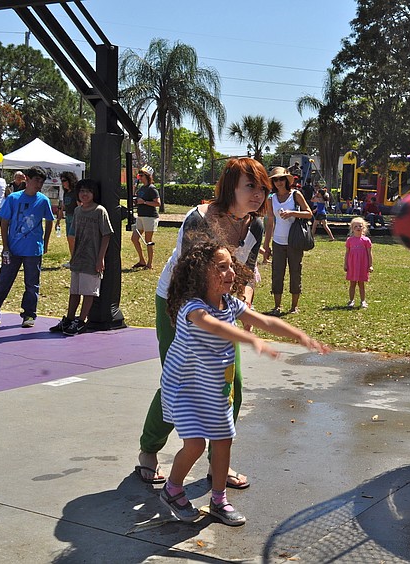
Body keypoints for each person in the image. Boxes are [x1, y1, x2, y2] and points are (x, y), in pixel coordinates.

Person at [156, 238, 329, 525]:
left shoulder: (230, 303)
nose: (230, 272)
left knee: (223, 441)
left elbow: (265, 321)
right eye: (221, 267)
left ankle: (219, 500)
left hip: (216, 388)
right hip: (185, 388)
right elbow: (213, 326)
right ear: (201, 275)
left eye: (231, 266)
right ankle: (173, 489)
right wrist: (250, 339)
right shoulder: (192, 308)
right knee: (196, 444)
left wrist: (298, 335)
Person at [136, 157, 270, 488]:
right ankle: (148, 451)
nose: (258, 194)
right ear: (230, 188)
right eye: (250, 186)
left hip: (220, 306)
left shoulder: (254, 225)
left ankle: (217, 467)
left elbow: (246, 271)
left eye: (262, 188)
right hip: (179, 303)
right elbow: (190, 277)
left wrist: (245, 305)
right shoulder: (199, 219)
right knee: (177, 384)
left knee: (231, 384)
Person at [0, 166, 55, 328]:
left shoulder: (43, 200)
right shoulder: (13, 198)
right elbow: (4, 222)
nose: (38, 184)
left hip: (33, 250)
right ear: (27, 179)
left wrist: (45, 243)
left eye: (41, 181)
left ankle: (29, 315)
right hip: (13, 249)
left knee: (32, 284)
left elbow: (49, 221)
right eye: (36, 180)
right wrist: (5, 245)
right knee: (3, 282)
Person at [49, 179, 113, 336]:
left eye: (88, 191)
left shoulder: (100, 211)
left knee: (88, 291)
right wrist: (73, 255)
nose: (85, 194)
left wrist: (100, 258)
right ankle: (69, 319)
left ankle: (81, 321)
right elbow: (74, 235)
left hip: (92, 258)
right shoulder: (77, 211)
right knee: (74, 290)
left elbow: (106, 235)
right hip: (78, 257)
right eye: (82, 191)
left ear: (93, 194)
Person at [262, 166, 313, 315]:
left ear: (286, 180)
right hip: (278, 242)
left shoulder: (295, 195)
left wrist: (292, 213)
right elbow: (270, 223)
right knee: (277, 273)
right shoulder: (271, 199)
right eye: (275, 180)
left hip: (294, 241)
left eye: (281, 179)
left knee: (295, 271)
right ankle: (277, 306)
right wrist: (266, 247)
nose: (278, 182)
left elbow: (309, 213)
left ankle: (294, 306)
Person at [132, 165, 161, 269]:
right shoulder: (141, 188)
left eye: (141, 175)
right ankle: (142, 260)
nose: (139, 176)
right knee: (134, 238)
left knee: (148, 240)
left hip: (150, 217)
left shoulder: (152, 189)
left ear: (147, 176)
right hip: (140, 216)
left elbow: (158, 203)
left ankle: (149, 263)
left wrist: (144, 202)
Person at [344, 217, 373, 308]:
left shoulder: (366, 240)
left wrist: (370, 265)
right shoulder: (350, 240)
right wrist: (345, 264)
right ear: (352, 228)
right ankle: (351, 300)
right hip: (352, 265)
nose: (358, 228)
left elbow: (369, 254)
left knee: (361, 283)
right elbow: (347, 253)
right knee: (352, 283)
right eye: (355, 226)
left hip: (362, 265)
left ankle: (363, 301)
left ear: (363, 228)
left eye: (360, 226)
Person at [56, 171, 79, 266]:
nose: (63, 183)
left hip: (75, 217)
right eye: (61, 181)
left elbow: (79, 206)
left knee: (72, 237)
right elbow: (63, 207)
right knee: (69, 239)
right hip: (68, 218)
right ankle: (73, 259)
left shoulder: (76, 192)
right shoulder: (66, 193)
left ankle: (76, 260)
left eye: (64, 180)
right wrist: (58, 220)